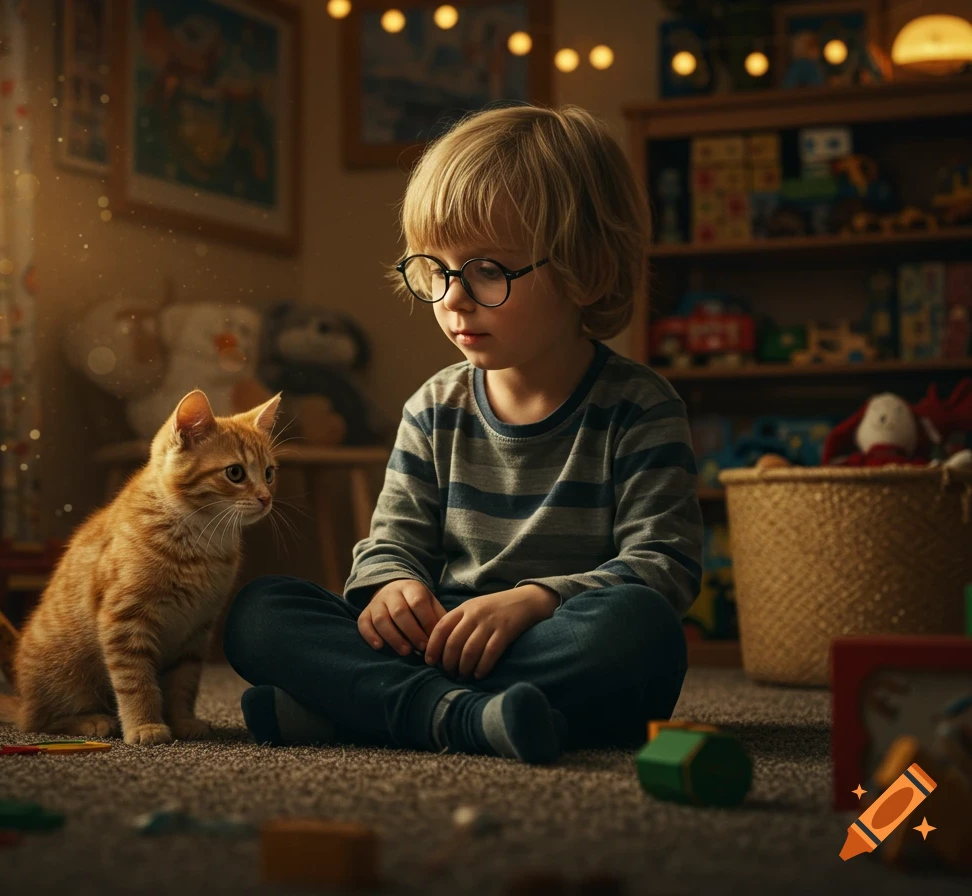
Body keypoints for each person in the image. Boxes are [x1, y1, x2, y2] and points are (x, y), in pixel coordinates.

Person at [223, 104, 703, 764]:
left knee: (641, 631)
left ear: (584, 269)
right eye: (436, 268)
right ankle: (459, 716)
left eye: (487, 270)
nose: (452, 296)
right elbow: (390, 544)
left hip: (552, 642)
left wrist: (534, 602)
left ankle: (371, 705)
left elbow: (663, 566)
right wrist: (394, 589)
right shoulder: (433, 407)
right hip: (440, 639)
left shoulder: (640, 407)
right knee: (258, 612)